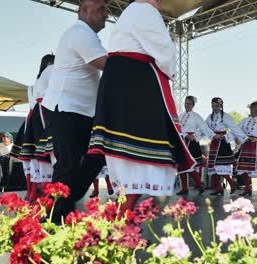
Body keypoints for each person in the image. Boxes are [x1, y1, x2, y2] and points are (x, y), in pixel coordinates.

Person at [87, 0, 195, 214]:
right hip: (135, 85)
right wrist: (170, 72)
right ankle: (123, 225)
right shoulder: (146, 10)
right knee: (141, 158)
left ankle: (124, 224)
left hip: (121, 84)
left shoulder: (131, 12)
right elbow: (165, 51)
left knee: (130, 160)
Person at [42, 0, 109, 220]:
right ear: (84, 10)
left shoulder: (88, 35)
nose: (106, 13)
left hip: (79, 112)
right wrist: (137, 64)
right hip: (67, 109)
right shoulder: (80, 33)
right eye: (101, 8)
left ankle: (62, 207)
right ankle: (53, 218)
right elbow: (107, 64)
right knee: (69, 166)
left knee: (95, 157)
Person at [12, 54, 55, 201]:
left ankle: (33, 192)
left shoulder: (36, 82)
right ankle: (38, 192)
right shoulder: (49, 74)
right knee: (41, 153)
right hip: (43, 114)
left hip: (34, 116)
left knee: (33, 156)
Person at [205, 97, 246, 196]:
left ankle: (232, 183)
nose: (215, 108)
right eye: (213, 105)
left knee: (220, 166)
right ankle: (218, 188)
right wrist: (212, 135)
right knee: (213, 167)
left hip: (223, 143)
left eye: (217, 106)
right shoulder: (209, 117)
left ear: (221, 106)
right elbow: (204, 128)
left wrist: (243, 138)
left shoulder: (226, 116)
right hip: (214, 141)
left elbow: (234, 128)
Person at [176, 96, 214, 195]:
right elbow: (177, 128)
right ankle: (185, 188)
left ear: (193, 105)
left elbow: (204, 128)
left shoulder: (196, 116)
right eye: (186, 103)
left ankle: (199, 184)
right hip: (181, 141)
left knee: (190, 165)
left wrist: (195, 136)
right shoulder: (180, 116)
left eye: (189, 103)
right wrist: (184, 135)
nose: (187, 105)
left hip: (191, 143)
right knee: (181, 166)